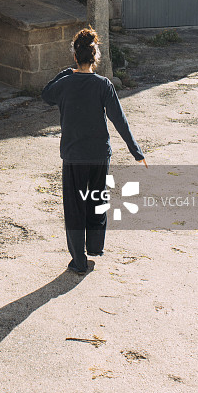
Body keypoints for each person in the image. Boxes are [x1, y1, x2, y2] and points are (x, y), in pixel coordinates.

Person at [41, 27, 147, 275]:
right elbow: (119, 120)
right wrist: (136, 151)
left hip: (74, 156)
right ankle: (95, 247)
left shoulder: (65, 83)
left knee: (75, 207)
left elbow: (46, 94)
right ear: (95, 57)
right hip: (99, 154)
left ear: (75, 56)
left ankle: (79, 261)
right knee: (97, 200)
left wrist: (67, 72)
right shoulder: (103, 85)